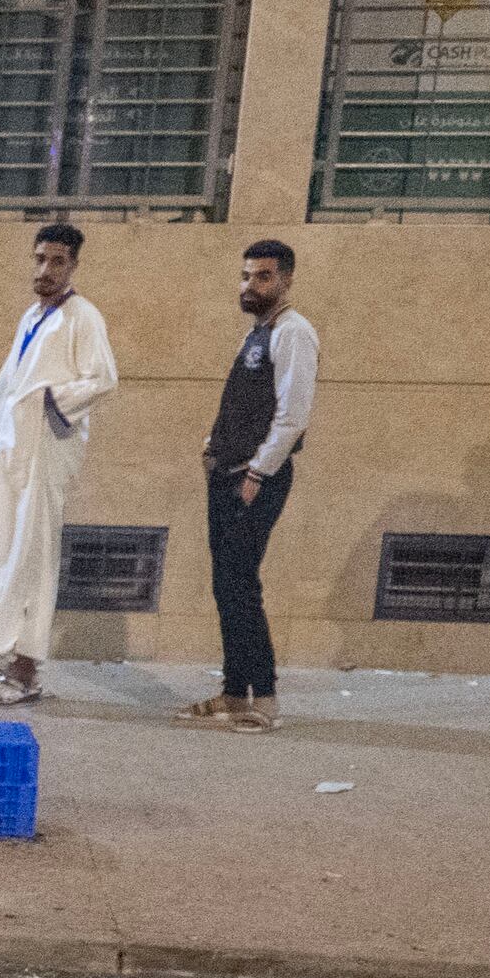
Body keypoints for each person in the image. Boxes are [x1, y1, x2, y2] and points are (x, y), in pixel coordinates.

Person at [0, 220, 115, 710]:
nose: (45, 270)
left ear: (74, 265)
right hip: (12, 448)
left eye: (57, 262)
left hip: (47, 448)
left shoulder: (83, 318)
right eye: (40, 259)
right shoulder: (32, 317)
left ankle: (25, 672)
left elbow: (103, 379)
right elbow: (7, 382)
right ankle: (7, 661)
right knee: (0, 552)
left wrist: (49, 401)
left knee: (32, 555)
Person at [188, 238, 320, 733]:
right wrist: (210, 445)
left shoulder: (294, 333)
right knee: (226, 585)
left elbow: (292, 417)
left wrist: (257, 472)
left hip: (254, 478)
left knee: (242, 585)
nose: (251, 285)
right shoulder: (257, 334)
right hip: (226, 472)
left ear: (286, 279)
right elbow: (241, 403)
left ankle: (263, 699)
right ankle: (232, 691)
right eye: (246, 275)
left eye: (263, 276)